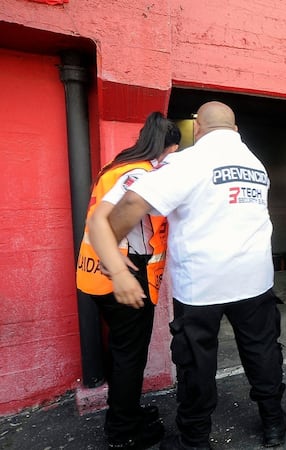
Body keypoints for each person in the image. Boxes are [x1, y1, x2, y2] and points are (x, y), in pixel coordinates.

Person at [90, 101, 286, 449]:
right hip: (255, 280)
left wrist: (113, 253)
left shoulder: (187, 162)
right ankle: (273, 423)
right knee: (262, 353)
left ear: (198, 128)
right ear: (236, 130)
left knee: (195, 364)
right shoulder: (255, 163)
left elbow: (133, 204)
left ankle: (194, 440)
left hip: (201, 286)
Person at [78, 112, 180, 450]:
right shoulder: (140, 173)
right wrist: (120, 272)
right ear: (170, 148)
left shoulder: (117, 166)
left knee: (123, 352)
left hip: (95, 272)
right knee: (129, 357)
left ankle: (128, 413)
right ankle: (122, 431)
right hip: (122, 271)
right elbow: (99, 220)